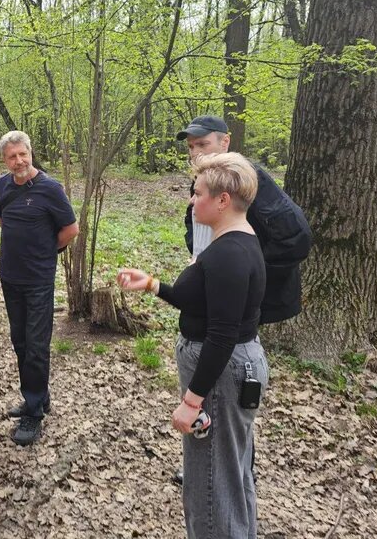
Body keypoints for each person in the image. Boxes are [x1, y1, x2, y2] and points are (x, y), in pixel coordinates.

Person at [118, 152, 270, 539]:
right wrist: (153, 285)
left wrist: (192, 401)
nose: (191, 199)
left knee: (211, 483)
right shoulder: (233, 243)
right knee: (230, 472)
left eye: (198, 192)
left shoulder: (230, 254)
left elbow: (221, 333)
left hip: (220, 375)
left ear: (222, 200)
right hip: (225, 369)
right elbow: (203, 300)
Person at [177, 115, 312, 323]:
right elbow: (194, 222)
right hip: (218, 288)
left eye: (203, 144)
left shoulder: (245, 178)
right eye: (191, 146)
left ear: (225, 142)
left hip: (251, 298)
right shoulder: (204, 178)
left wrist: (249, 272)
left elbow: (297, 235)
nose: (195, 152)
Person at [0, 131, 79, 446]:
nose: (18, 161)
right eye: (12, 156)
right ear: (4, 159)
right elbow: (2, 219)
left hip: (39, 279)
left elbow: (71, 229)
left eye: (23, 154)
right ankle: (37, 398)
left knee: (37, 345)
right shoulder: (1, 186)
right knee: (20, 342)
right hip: (10, 277)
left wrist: (45, 251)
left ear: (31, 153)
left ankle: (33, 414)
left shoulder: (50, 189)